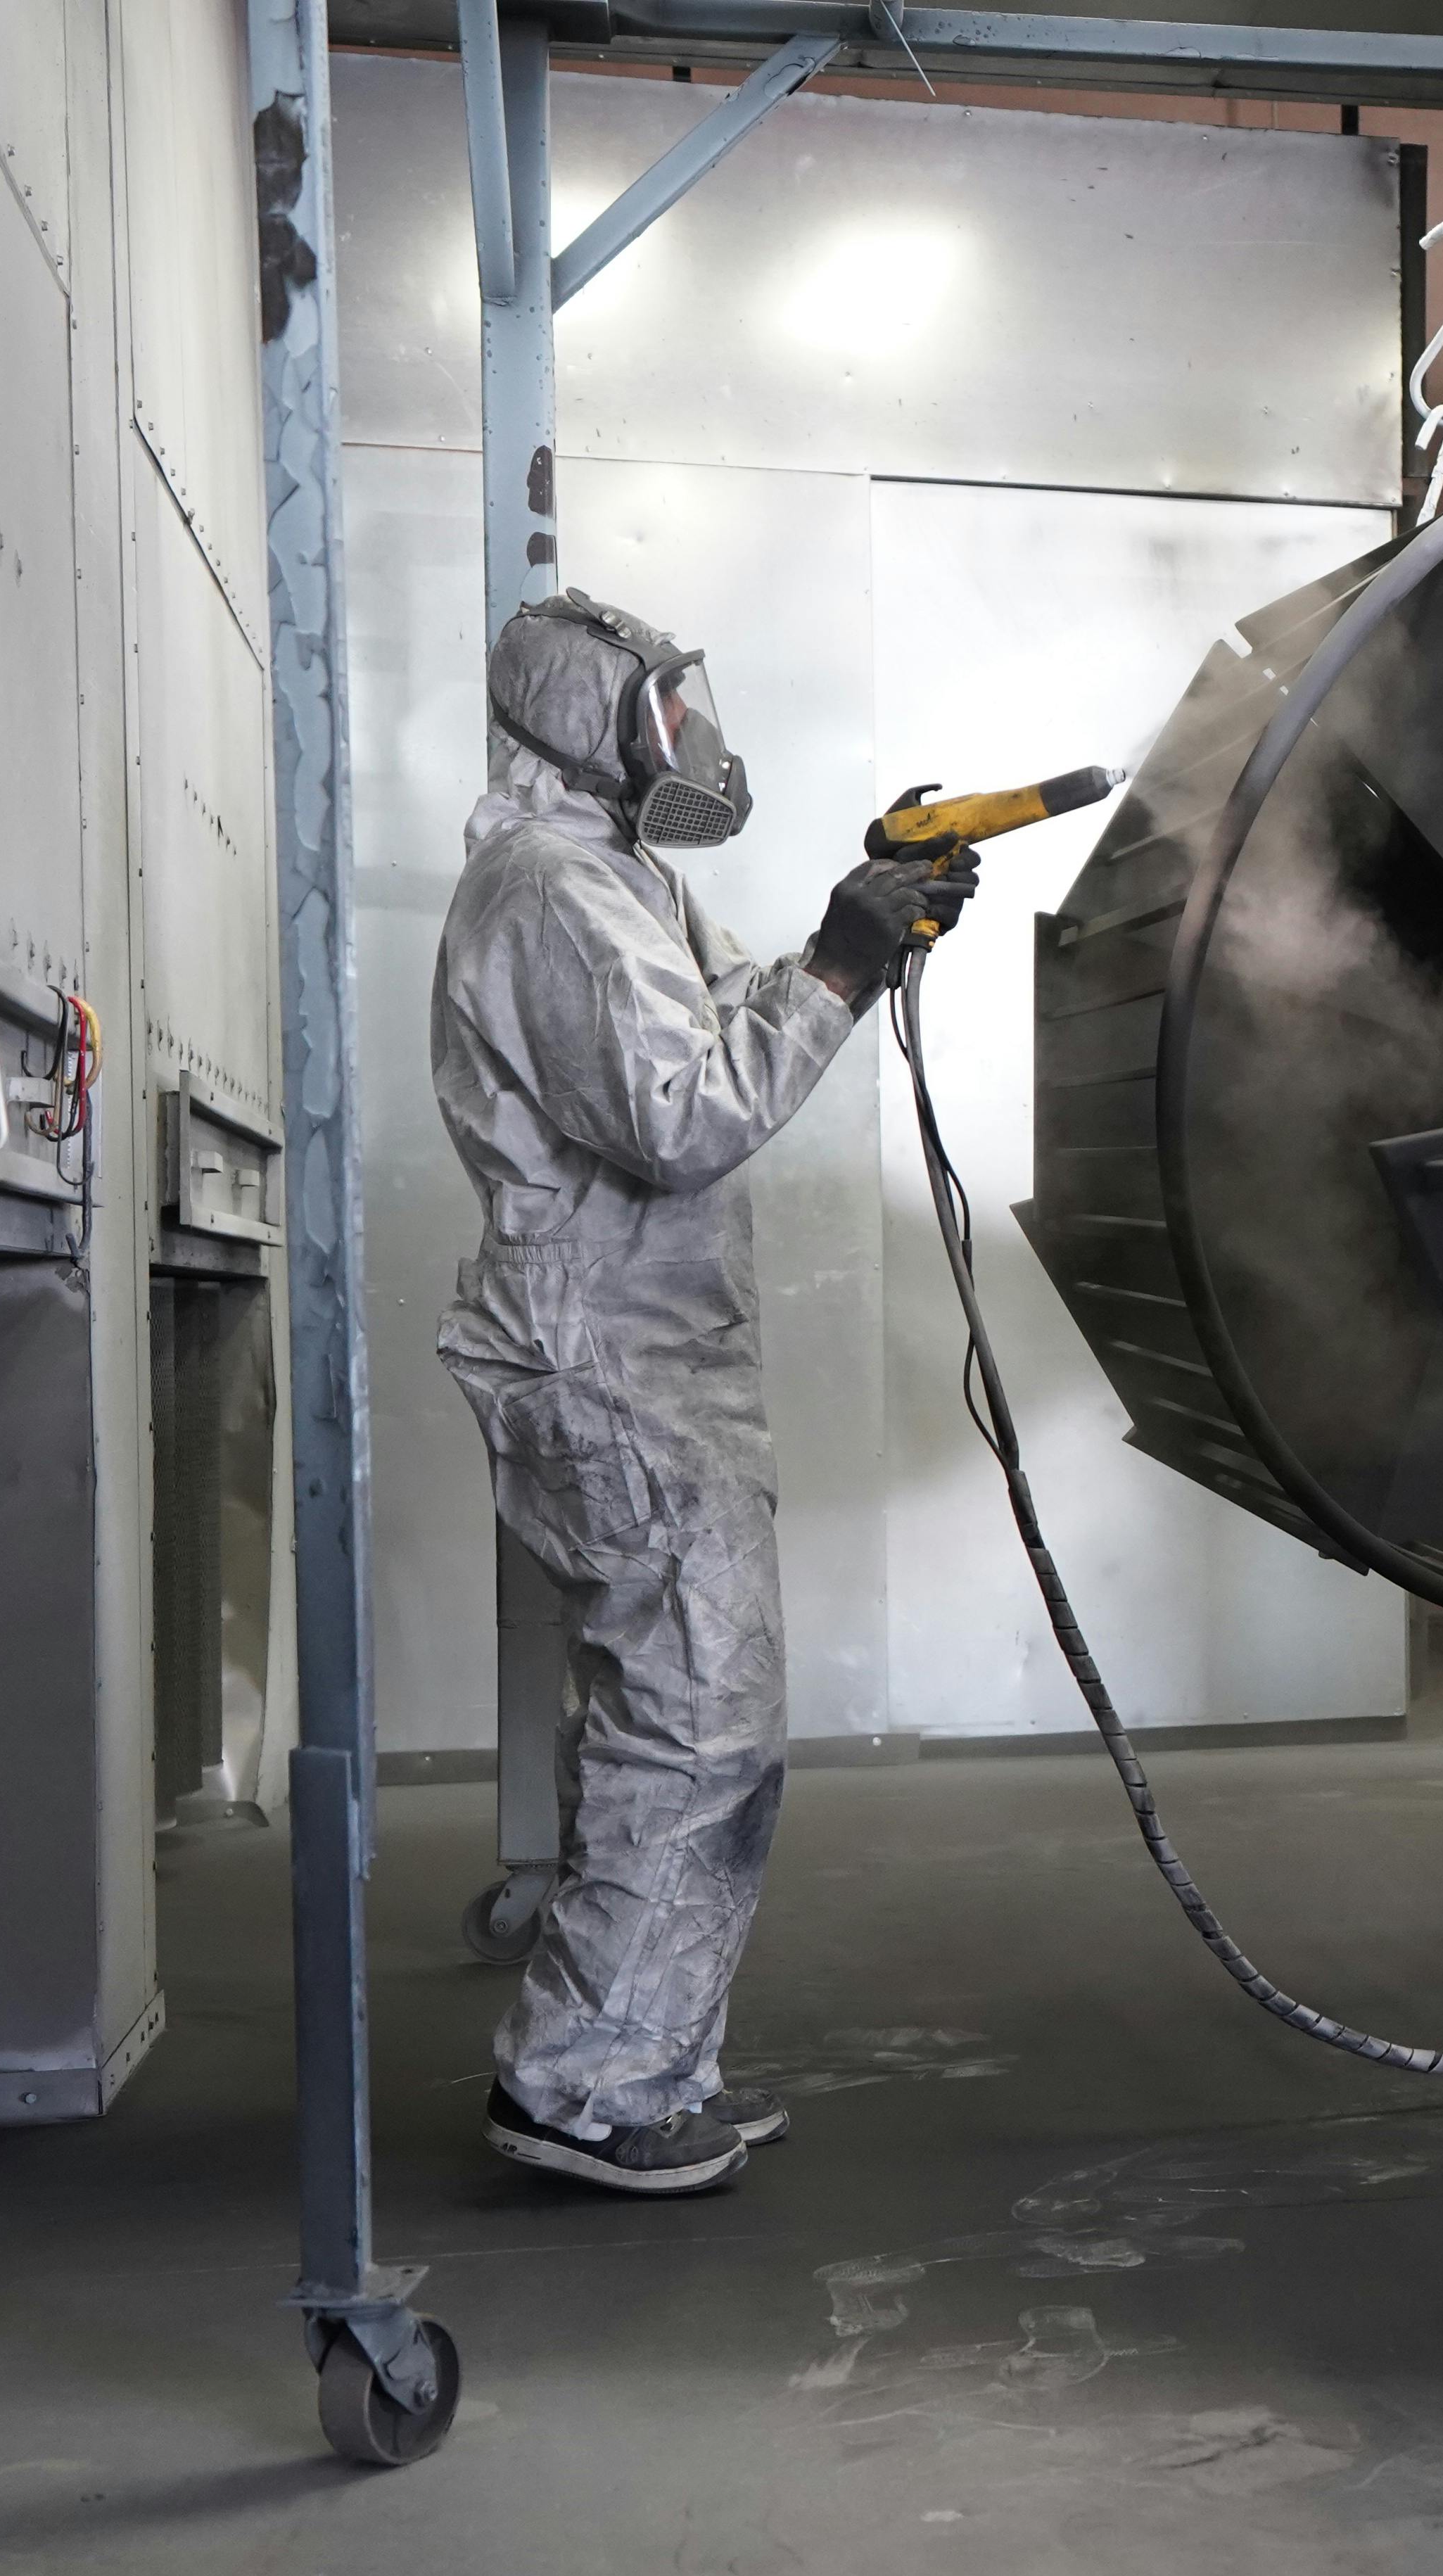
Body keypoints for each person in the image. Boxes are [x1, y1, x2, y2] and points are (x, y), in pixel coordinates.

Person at [431, 592, 972, 2194]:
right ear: (588, 720)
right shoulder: (547, 892)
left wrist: (847, 939)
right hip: (610, 1371)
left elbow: (740, 1010)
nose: (697, 742)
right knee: (691, 1731)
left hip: (638, 1366)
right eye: (669, 714)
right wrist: (846, 963)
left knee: (681, 1723)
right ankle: (582, 2087)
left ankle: (640, 2060)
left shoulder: (624, 880)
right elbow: (682, 1110)